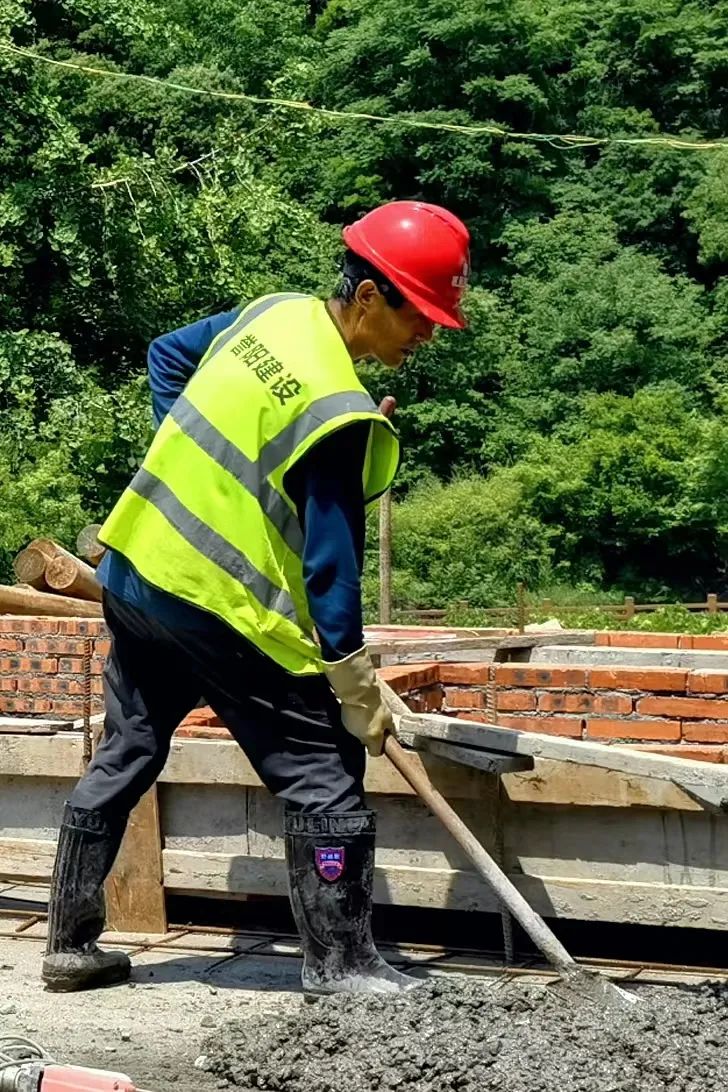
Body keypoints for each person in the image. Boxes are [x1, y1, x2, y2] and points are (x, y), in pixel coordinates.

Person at [42, 201, 470, 995]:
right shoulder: (335, 410)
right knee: (325, 769)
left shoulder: (273, 316)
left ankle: (69, 945)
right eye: (421, 314)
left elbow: (167, 356)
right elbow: (331, 575)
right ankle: (341, 964)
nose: (429, 334)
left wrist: (187, 463)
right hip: (218, 605)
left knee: (129, 748)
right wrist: (354, 688)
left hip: (137, 571)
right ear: (369, 296)